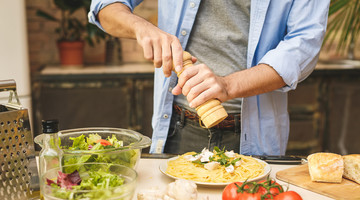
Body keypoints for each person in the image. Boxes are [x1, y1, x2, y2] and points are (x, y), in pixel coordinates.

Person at [89, 0, 330, 155]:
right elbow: (104, 6)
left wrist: (228, 85)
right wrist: (141, 27)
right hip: (177, 129)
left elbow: (304, 44)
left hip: (252, 137)